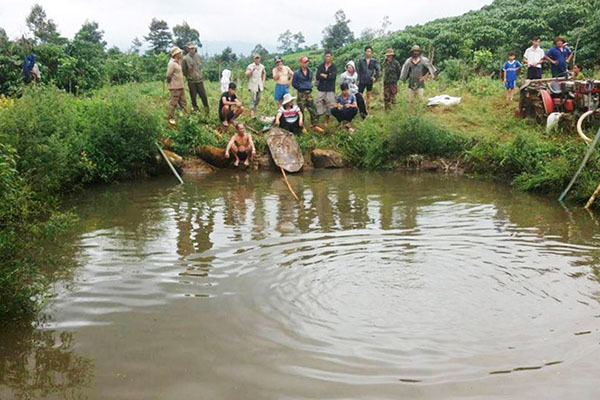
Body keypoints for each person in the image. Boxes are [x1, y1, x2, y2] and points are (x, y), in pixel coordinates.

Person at [292, 56, 321, 131]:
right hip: (301, 94)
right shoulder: (297, 73)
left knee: (313, 109)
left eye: (307, 62)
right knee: (300, 110)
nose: (306, 63)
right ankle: (302, 126)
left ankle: (314, 125)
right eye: (304, 62)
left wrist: (307, 86)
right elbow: (294, 83)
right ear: (301, 63)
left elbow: (310, 81)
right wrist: (300, 87)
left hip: (309, 93)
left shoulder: (310, 72)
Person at [181, 42, 210, 114]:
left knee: (203, 95)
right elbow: (184, 70)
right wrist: (188, 76)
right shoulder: (185, 59)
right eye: (190, 48)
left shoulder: (199, 57)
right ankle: (195, 109)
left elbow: (200, 67)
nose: (192, 50)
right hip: (191, 81)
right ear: (188, 49)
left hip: (199, 80)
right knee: (193, 96)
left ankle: (206, 109)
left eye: (193, 48)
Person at [166, 46, 188, 125]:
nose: (181, 54)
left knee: (183, 102)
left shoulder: (178, 62)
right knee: (173, 103)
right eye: (179, 53)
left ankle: (187, 117)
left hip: (180, 86)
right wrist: (171, 83)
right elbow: (168, 75)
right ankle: (170, 118)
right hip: (175, 87)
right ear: (176, 54)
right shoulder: (171, 64)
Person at [315, 50, 337, 127]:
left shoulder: (334, 66)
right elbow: (317, 76)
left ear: (331, 57)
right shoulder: (321, 66)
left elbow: (333, 77)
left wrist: (324, 75)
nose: (327, 58)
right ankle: (317, 118)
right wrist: (327, 76)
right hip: (321, 88)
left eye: (329, 56)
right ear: (324, 57)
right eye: (326, 56)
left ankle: (326, 120)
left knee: (330, 104)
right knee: (318, 102)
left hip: (330, 88)